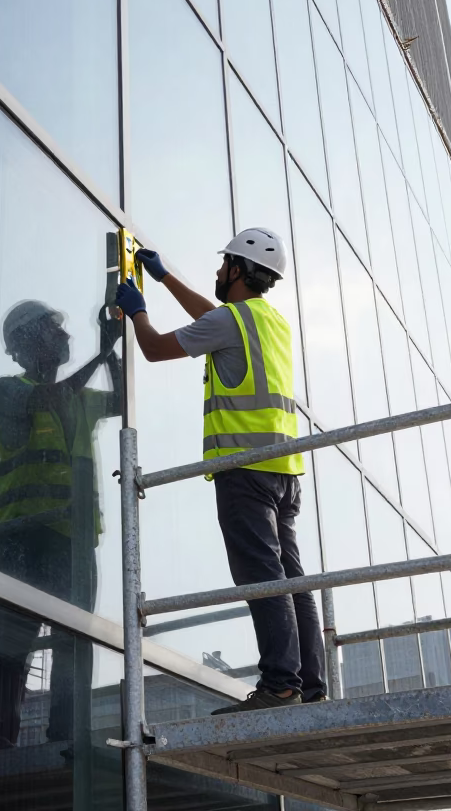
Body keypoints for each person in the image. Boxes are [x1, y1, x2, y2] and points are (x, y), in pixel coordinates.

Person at [114, 229, 326, 714]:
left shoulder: (232, 320)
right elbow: (213, 321)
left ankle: (279, 686)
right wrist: (164, 278)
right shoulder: (269, 321)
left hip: (243, 469)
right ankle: (308, 686)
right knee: (289, 577)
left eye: (222, 264)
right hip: (284, 471)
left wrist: (136, 310)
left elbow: (153, 348)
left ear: (236, 270)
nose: (215, 273)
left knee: (261, 577)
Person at [0, 300, 121, 751]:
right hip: (24, 534)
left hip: (74, 540)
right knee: (13, 637)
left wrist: (111, 350)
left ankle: (67, 733)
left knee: (74, 637)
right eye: (54, 331)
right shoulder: (8, 389)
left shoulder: (81, 399)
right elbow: (48, 398)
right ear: (25, 343)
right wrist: (102, 352)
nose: (65, 338)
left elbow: (124, 400)